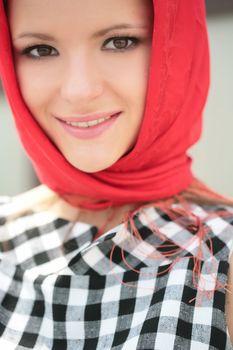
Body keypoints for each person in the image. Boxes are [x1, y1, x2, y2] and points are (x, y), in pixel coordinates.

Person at [0, 0, 233, 349]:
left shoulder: (221, 252)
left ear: (179, 47)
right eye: (41, 49)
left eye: (119, 42)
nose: (78, 90)